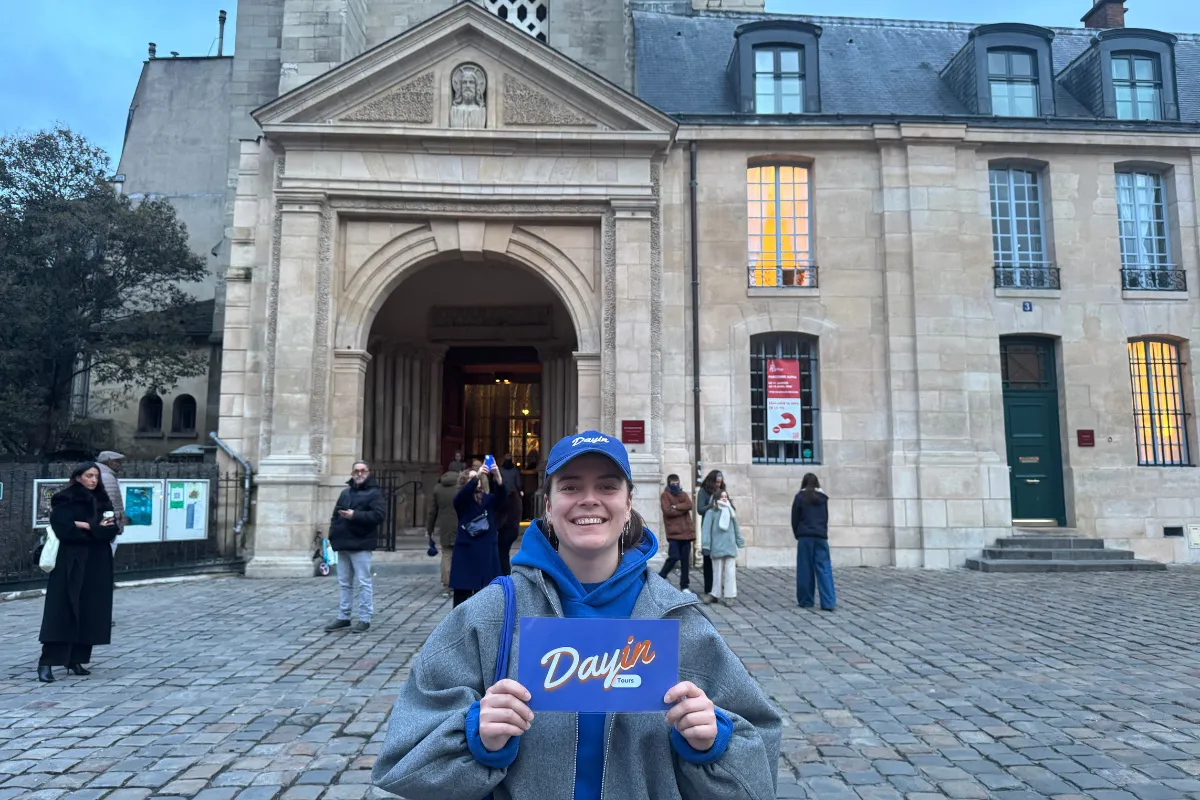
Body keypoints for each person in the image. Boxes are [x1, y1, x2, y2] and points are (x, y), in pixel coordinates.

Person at [372, 431, 782, 799]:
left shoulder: (678, 619)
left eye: (607, 485)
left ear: (627, 504)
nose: (590, 499)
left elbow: (759, 762)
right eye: (571, 486)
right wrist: (475, 738)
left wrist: (714, 739)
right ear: (548, 506)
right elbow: (402, 762)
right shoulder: (490, 614)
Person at [37, 462, 118, 682]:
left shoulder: (102, 499)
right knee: (62, 610)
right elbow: (63, 526)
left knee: (90, 609)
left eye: (96, 476)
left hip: (97, 561)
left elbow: (111, 529)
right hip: (70, 560)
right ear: (78, 477)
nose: (93, 480)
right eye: (89, 476)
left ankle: (76, 658)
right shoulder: (65, 497)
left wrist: (85, 525)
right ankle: (47, 662)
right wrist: (93, 528)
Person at [324, 461, 386, 634]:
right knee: (344, 582)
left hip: (361, 543)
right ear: (352, 473)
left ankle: (365, 618)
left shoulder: (374, 494)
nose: (359, 474)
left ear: (368, 472)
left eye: (363, 470)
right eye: (356, 471)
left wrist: (355, 515)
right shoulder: (345, 493)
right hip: (343, 543)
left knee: (363, 582)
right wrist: (332, 536)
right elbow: (335, 516)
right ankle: (343, 616)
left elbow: (378, 515)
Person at [449, 462, 506, 607]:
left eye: (479, 478)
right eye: (473, 478)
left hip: (486, 554)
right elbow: (462, 496)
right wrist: (477, 475)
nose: (477, 480)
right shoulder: (462, 501)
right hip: (467, 555)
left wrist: (498, 476)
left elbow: (501, 498)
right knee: (462, 600)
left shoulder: (487, 500)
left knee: (487, 601)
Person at [792, 473, 835, 611]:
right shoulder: (823, 498)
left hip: (805, 536)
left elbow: (795, 518)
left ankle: (806, 600)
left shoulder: (799, 497)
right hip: (820, 536)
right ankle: (828, 602)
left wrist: (797, 533)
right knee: (824, 569)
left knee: (805, 568)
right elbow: (825, 517)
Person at [702, 490, 744, 605]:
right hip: (717, 546)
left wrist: (740, 541)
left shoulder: (731, 511)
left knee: (730, 572)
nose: (724, 498)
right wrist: (706, 545)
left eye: (726, 496)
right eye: (722, 497)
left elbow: (736, 528)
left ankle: (730, 595)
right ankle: (715, 594)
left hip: (730, 546)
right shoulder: (711, 512)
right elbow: (706, 530)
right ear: (716, 498)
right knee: (717, 572)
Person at [657, 473, 695, 593]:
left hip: (686, 534)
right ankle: (660, 577)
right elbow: (668, 511)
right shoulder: (665, 495)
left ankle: (684, 586)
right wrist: (681, 509)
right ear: (669, 484)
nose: (676, 486)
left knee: (685, 561)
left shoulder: (683, 494)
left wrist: (676, 506)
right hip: (673, 534)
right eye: (673, 484)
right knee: (674, 557)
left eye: (677, 484)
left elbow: (689, 505)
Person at [426, 470, 461, 595]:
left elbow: (432, 512)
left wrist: (429, 530)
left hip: (445, 526)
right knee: (460, 556)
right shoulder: (460, 488)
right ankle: (460, 583)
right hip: (460, 525)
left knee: (446, 556)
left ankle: (447, 585)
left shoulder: (438, 489)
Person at [696, 470, 728, 595]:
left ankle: (719, 584)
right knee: (708, 558)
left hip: (721, 529)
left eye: (720, 482)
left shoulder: (722, 491)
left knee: (720, 558)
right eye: (716, 482)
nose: (719, 485)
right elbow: (700, 509)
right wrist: (712, 505)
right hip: (709, 528)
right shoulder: (703, 491)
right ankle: (709, 587)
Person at [95, 451, 127, 557]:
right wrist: (108, 530)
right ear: (109, 462)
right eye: (117, 462)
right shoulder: (107, 477)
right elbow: (107, 505)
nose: (120, 465)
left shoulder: (100, 474)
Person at [497, 453, 523, 575]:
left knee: (502, 553)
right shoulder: (516, 501)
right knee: (503, 553)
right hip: (511, 527)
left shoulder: (503, 471)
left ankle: (503, 573)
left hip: (506, 527)